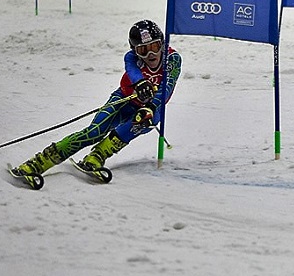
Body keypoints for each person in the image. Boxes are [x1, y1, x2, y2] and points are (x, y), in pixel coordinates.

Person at [11, 20, 182, 184]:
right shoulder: (131, 58)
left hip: (150, 106)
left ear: (162, 43)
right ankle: (40, 161)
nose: (150, 54)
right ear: (135, 51)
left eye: (155, 47)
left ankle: (97, 156)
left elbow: (167, 87)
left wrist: (152, 106)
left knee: (149, 119)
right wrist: (140, 83)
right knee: (94, 132)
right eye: (143, 50)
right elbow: (132, 71)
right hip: (124, 99)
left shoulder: (172, 59)